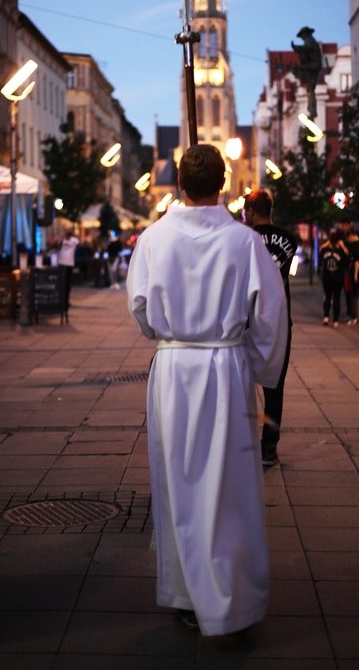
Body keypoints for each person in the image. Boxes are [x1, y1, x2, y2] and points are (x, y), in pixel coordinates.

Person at [126, 144, 288, 638]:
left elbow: (138, 308)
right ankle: (229, 593)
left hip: (175, 370)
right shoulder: (245, 243)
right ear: (224, 185)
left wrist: (168, 333)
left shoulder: (153, 240)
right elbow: (269, 316)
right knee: (230, 486)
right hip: (225, 370)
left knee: (178, 480)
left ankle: (186, 593)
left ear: (179, 182)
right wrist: (260, 370)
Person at [243, 188, 298, 468]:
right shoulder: (290, 239)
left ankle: (241, 441)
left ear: (253, 210)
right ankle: (269, 445)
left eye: (246, 210)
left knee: (241, 379)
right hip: (279, 316)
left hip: (249, 317)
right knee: (275, 384)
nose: (244, 215)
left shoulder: (245, 239)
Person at [318, 229, 349, 327]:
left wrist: (325, 244)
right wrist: (343, 246)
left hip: (327, 277)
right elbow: (347, 260)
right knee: (336, 298)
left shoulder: (324, 250)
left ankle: (326, 317)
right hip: (338, 278)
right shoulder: (341, 251)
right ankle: (335, 321)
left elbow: (319, 258)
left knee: (327, 297)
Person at [340, 218, 359, 324]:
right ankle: (349, 313)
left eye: (344, 225)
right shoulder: (343, 236)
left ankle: (353, 315)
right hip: (345, 268)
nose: (342, 227)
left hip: (351, 269)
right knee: (347, 291)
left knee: (352, 292)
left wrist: (343, 246)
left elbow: (355, 256)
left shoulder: (354, 238)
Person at [58, 227, 79, 308]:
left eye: (68, 232)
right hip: (61, 263)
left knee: (67, 284)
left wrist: (71, 233)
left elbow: (78, 241)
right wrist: (62, 238)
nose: (67, 233)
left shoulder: (74, 240)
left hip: (69, 264)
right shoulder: (62, 240)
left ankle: (66, 301)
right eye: (66, 232)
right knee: (62, 283)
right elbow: (57, 246)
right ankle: (62, 301)